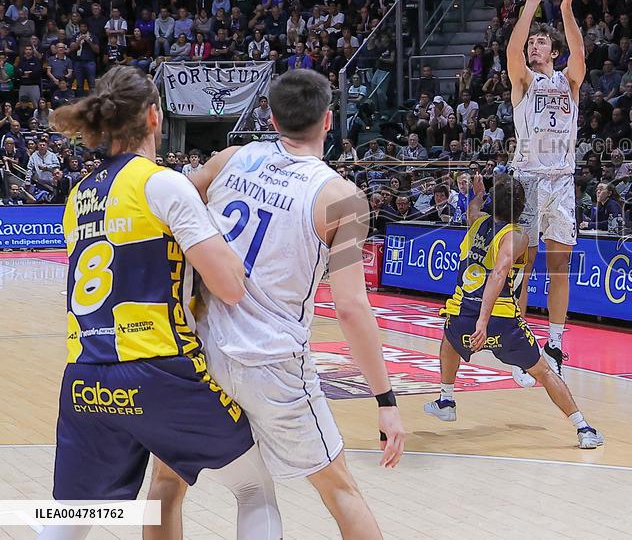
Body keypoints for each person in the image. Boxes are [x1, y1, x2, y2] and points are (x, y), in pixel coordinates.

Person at [147, 69, 405, 536]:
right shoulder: (342, 199)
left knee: (167, 480)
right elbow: (350, 307)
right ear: (329, 120)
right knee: (338, 489)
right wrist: (385, 399)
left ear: (270, 116)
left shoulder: (229, 159)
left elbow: (168, 210)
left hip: (197, 349)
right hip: (271, 362)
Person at [39, 66, 281, 540]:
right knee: (255, 486)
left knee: (72, 518)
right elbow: (229, 286)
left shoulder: (78, 195)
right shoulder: (162, 184)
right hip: (157, 370)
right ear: (155, 116)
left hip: (86, 376)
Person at [424, 173, 604, 449]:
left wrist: (478, 192)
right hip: (501, 320)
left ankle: (446, 399)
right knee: (544, 372)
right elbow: (499, 272)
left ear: (491, 203)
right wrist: (483, 322)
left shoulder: (476, 222)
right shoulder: (516, 236)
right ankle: (583, 428)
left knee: (449, 341)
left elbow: (473, 208)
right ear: (521, 208)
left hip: (462, 314)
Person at [506, 0, 584, 386]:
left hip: (562, 180)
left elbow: (580, 53)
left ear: (554, 51)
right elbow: (511, 48)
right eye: (531, 42)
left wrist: (566, 10)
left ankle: (554, 343)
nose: (534, 45)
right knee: (523, 264)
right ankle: (521, 346)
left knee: (560, 265)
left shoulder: (569, 82)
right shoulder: (523, 81)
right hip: (528, 179)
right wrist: (531, 3)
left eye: (541, 42)